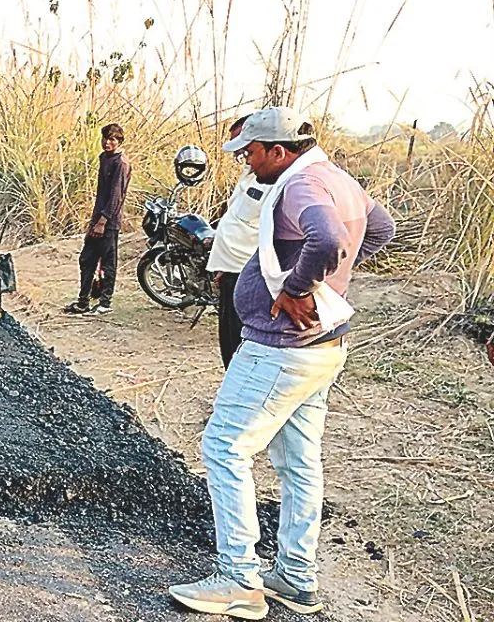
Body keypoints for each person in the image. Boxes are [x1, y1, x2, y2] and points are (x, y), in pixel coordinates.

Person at [168, 106, 395, 619]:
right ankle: (295, 576)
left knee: (224, 446)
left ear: (278, 150)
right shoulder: (337, 178)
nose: (247, 164)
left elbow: (331, 240)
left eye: (250, 153)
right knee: (298, 462)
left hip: (282, 348)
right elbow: (380, 228)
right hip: (322, 346)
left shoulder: (298, 187)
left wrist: (300, 287)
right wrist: (332, 285)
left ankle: (239, 581)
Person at [207, 115, 269, 368]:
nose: (241, 153)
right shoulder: (249, 174)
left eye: (244, 145)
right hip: (232, 272)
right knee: (230, 342)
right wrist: (223, 266)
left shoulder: (276, 181)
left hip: (250, 275)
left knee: (244, 346)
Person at [65, 123, 131, 315]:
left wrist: (103, 221)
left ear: (119, 141)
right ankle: (83, 301)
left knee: (108, 262)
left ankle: (104, 303)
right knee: (87, 259)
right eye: (105, 138)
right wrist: (95, 220)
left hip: (109, 222)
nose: (107, 142)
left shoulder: (121, 163)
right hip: (97, 218)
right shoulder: (104, 158)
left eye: (112, 139)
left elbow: (115, 196)